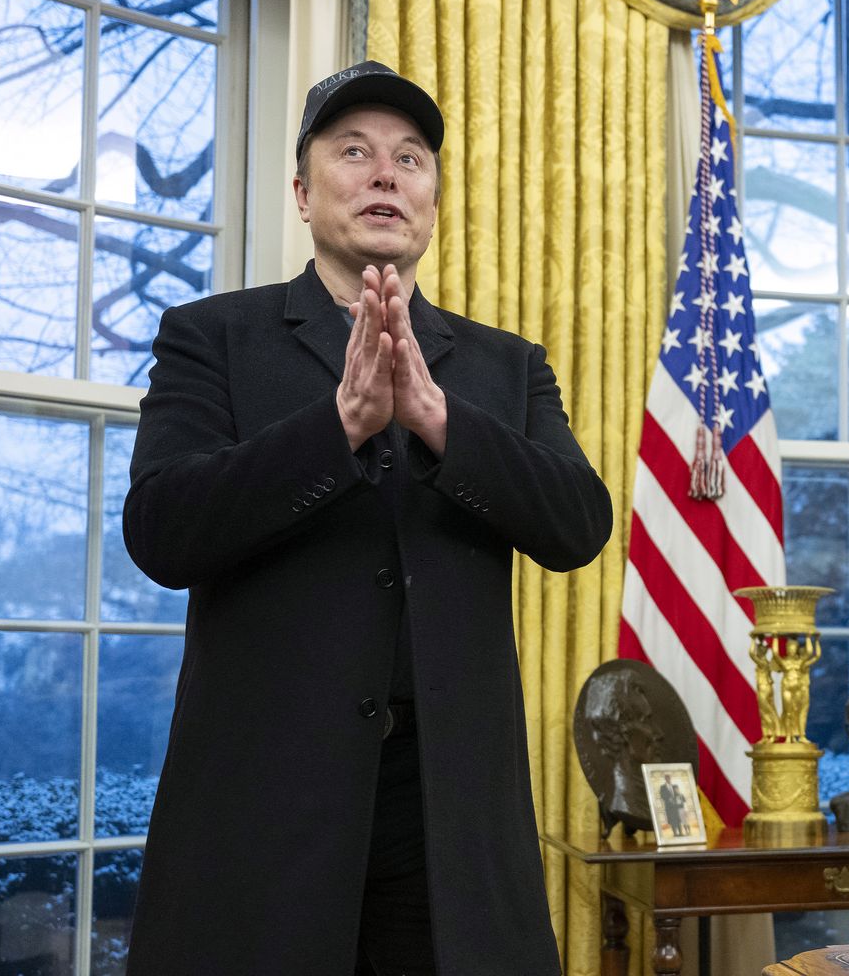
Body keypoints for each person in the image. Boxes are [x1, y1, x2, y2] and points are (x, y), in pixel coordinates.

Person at [122, 61, 613, 975]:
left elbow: (578, 523)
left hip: (449, 817)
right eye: (355, 152)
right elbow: (161, 529)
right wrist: (340, 426)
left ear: (430, 201)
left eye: (411, 158)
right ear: (305, 194)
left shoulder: (506, 368)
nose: (387, 174)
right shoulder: (211, 337)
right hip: (266, 809)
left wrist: (437, 420)